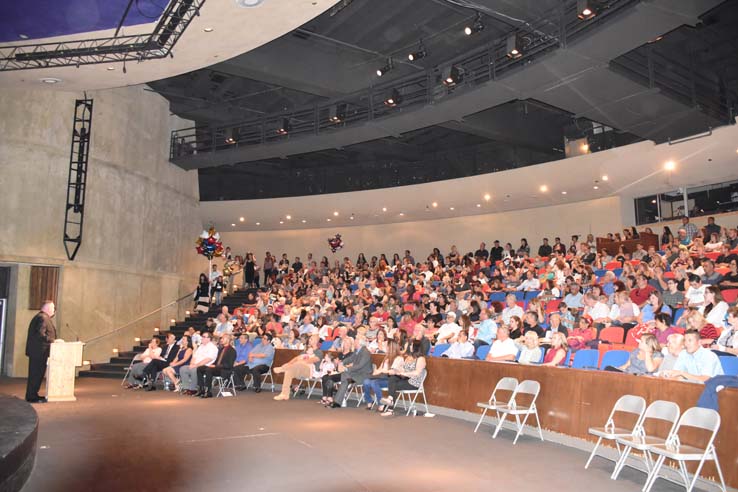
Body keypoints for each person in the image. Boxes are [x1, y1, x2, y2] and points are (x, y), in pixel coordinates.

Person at [380, 341, 427, 416]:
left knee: (394, 385)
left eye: (411, 345)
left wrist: (404, 373)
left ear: (416, 347)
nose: (410, 347)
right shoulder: (408, 357)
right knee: (392, 378)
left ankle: (390, 407)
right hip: (405, 378)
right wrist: (396, 371)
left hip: (414, 382)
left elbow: (417, 372)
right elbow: (403, 369)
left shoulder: (421, 359)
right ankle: (390, 401)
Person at [25, 300, 57, 403]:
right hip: (39, 352)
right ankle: (31, 396)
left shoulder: (41, 317)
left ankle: (33, 394)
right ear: (47, 308)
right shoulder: (42, 318)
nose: (54, 310)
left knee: (36, 374)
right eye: (53, 308)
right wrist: (52, 340)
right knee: (36, 374)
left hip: (38, 352)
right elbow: (40, 334)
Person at [273, 334, 323, 401]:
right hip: (298, 368)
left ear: (316, 341)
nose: (309, 340)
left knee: (300, 363)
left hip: (309, 371)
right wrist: (288, 364)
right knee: (289, 371)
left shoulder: (319, 352)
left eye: (311, 339)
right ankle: (284, 394)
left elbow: (310, 360)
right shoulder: (306, 350)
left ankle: (282, 369)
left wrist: (300, 360)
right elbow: (296, 358)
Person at [331, 335, 374, 408]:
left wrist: (346, 369)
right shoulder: (357, 351)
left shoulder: (365, 352)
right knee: (346, 380)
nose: (354, 342)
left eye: (356, 341)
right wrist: (342, 362)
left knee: (345, 376)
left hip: (364, 375)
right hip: (357, 373)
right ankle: (337, 402)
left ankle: (334, 384)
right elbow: (350, 358)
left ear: (359, 343)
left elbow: (360, 365)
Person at [362, 340, 403, 410]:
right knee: (366, 381)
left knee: (374, 382)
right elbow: (380, 369)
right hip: (382, 377)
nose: (386, 347)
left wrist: (382, 371)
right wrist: (374, 373)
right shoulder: (386, 357)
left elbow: (392, 371)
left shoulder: (399, 358)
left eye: (387, 346)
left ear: (391, 347)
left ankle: (381, 404)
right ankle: (369, 401)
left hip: (391, 380)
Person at [196, 333, 237, 398]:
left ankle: (208, 391)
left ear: (228, 340)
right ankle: (201, 389)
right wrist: (211, 364)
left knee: (208, 370)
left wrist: (215, 366)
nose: (221, 340)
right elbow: (217, 361)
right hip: (217, 368)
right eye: (221, 338)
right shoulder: (221, 349)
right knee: (200, 368)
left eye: (223, 338)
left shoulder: (232, 350)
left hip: (225, 370)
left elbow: (229, 365)